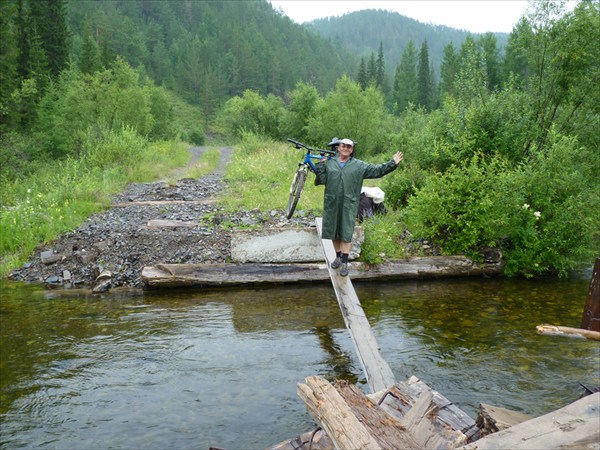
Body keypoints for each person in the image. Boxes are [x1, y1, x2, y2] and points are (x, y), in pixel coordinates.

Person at [314, 138, 403, 276]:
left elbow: (377, 171)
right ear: (338, 147)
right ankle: (337, 257)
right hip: (332, 203)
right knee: (333, 231)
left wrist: (392, 164)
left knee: (346, 232)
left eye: (349, 147)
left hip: (349, 204)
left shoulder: (359, 166)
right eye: (343, 146)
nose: (346, 148)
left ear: (352, 150)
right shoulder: (329, 163)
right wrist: (320, 166)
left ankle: (344, 262)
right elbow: (321, 180)